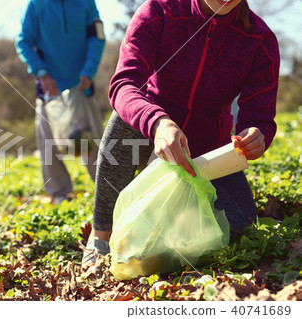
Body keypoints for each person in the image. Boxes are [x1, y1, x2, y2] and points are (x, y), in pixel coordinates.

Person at [82, 0, 280, 268]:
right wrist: (158, 122)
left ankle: (162, 228)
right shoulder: (158, 11)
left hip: (207, 155)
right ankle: (101, 235)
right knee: (123, 123)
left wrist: (257, 134)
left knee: (241, 226)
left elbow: (260, 118)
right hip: (150, 137)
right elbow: (124, 84)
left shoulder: (260, 40)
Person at [15, 0, 105, 204]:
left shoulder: (87, 3)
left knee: (92, 144)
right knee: (48, 144)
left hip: (81, 86)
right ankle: (59, 193)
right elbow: (24, 41)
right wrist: (42, 73)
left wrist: (88, 72)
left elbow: (97, 38)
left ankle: (106, 190)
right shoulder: (36, 5)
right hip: (50, 88)